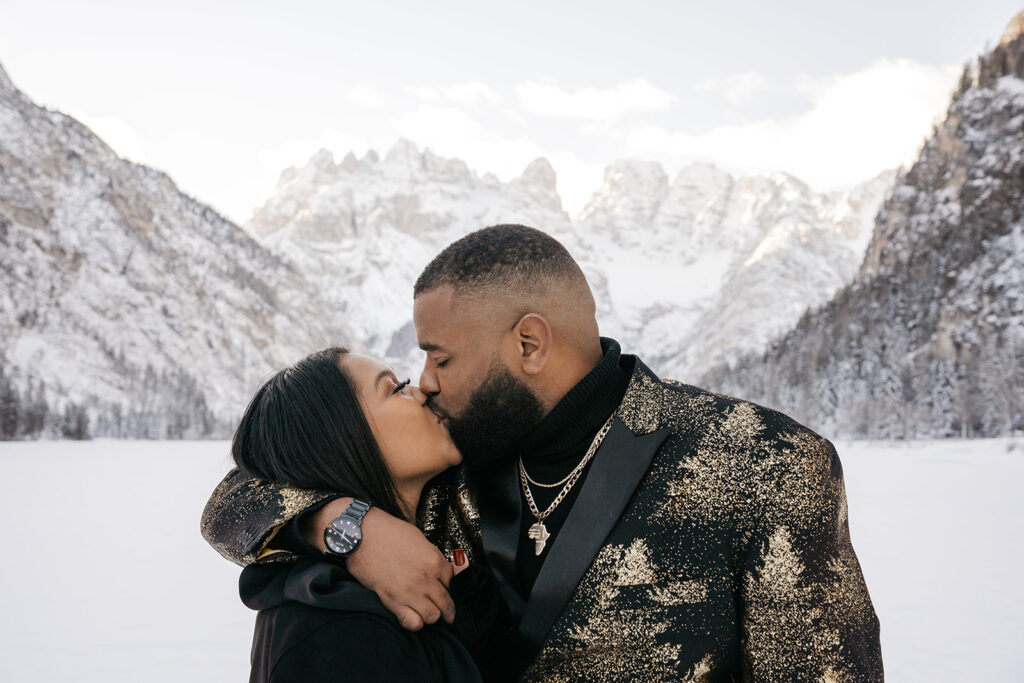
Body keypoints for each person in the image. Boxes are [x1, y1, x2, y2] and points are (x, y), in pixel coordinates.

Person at [202, 224, 883, 680]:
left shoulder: (763, 462)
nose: (426, 381)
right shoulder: (445, 461)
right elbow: (238, 495)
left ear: (528, 344)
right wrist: (350, 526)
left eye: (439, 355)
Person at [226, 346, 506, 682]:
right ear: (340, 440)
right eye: (397, 388)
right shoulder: (338, 631)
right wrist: (351, 527)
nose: (423, 390)